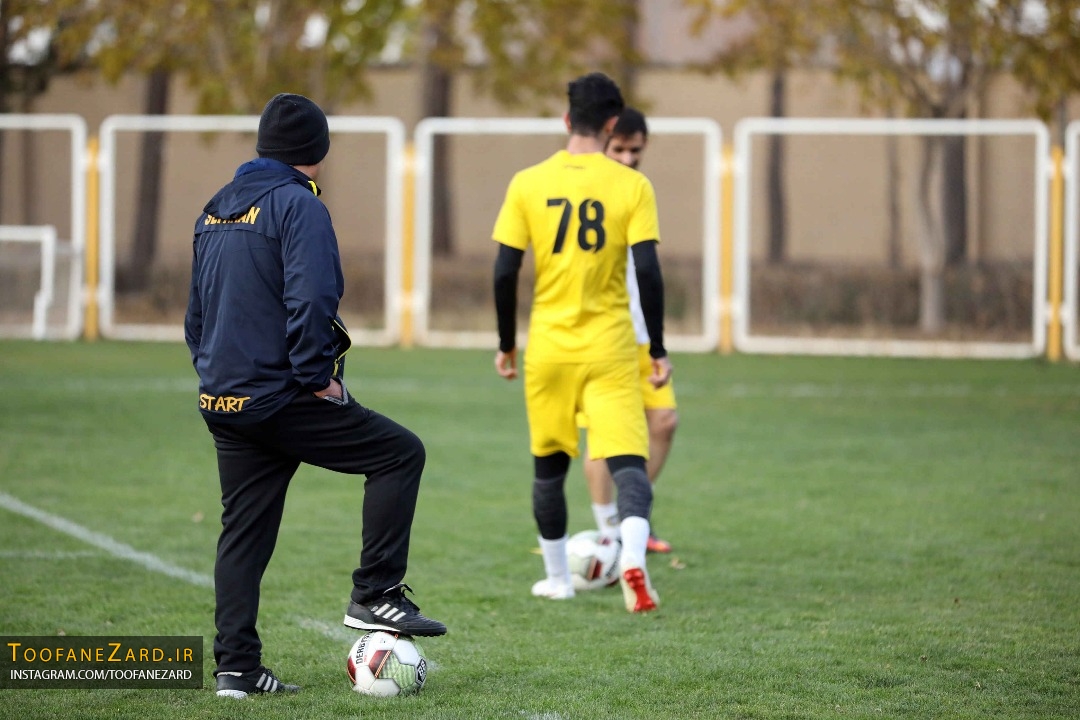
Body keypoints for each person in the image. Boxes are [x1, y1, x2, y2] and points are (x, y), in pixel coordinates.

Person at [184, 92, 446, 699]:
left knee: (243, 533)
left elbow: (196, 314)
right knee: (398, 453)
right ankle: (376, 593)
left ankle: (237, 670)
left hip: (225, 400)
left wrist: (215, 375)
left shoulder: (216, 207)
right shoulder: (298, 205)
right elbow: (312, 297)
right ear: (317, 151)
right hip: (283, 395)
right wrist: (316, 375)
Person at [492, 73, 672, 613]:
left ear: (567, 119)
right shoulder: (632, 186)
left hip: (550, 349)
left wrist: (507, 342)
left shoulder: (527, 182)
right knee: (629, 463)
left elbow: (505, 270)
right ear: (613, 125)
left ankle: (558, 580)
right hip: (611, 347)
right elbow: (648, 270)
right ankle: (632, 556)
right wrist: (657, 348)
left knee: (549, 467)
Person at [584, 108, 678, 554]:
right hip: (601, 337)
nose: (626, 157)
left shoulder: (639, 191)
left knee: (664, 422)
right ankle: (609, 532)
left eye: (634, 150)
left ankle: (632, 514)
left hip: (640, 337)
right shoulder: (586, 192)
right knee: (603, 441)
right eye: (618, 148)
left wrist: (657, 341)